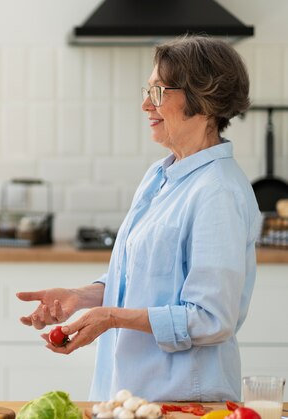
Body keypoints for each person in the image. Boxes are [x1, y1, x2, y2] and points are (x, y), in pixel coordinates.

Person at [17, 35, 262, 402]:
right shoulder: (160, 176)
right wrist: (82, 297)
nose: (146, 103)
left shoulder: (218, 193)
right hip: (130, 396)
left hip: (182, 401)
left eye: (160, 92)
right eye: (148, 90)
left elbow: (211, 318)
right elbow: (144, 277)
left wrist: (111, 317)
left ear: (204, 99)